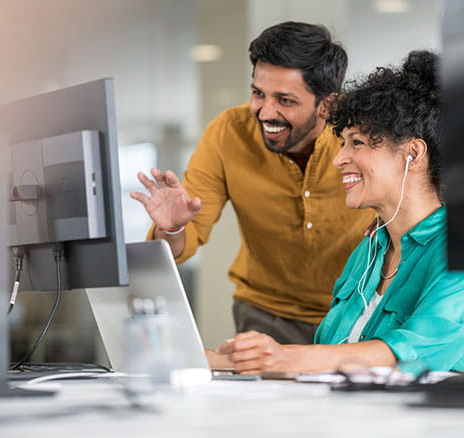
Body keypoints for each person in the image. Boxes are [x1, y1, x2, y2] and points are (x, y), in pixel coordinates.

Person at [215, 51, 464, 374]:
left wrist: (284, 357)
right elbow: (328, 353)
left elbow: (408, 352)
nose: (339, 159)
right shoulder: (369, 251)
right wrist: (218, 360)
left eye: (356, 143)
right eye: (343, 143)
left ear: (413, 153)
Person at [130, 22, 375, 345]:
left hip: (358, 314)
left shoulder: (366, 138)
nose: (265, 112)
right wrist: (173, 228)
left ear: (326, 106)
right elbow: (185, 240)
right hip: (267, 317)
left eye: (285, 100)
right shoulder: (229, 133)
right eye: (258, 93)